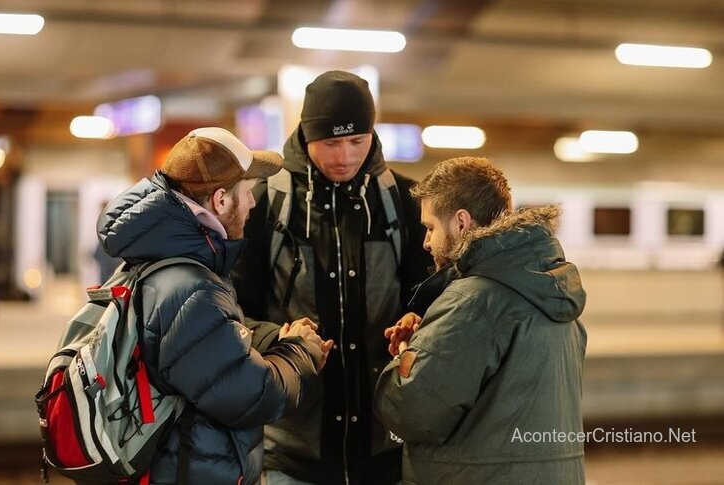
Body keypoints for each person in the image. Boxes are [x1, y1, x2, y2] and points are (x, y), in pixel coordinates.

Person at [96, 127, 333, 484]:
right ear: (220, 201)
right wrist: (302, 352)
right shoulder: (193, 287)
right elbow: (252, 394)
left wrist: (271, 338)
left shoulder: (159, 260)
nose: (253, 203)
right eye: (247, 192)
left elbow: (205, 346)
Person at [232, 70, 432, 484]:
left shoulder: (404, 203)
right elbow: (234, 311)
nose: (344, 155)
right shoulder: (265, 204)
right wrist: (278, 338)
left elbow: (427, 299)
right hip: (292, 446)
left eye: (357, 141)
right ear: (306, 136)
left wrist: (417, 325)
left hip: (384, 444)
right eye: (331, 142)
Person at [374, 157, 587, 485]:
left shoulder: (472, 301)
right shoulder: (552, 292)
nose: (426, 243)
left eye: (430, 227)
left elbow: (411, 411)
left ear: (461, 222)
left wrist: (405, 353)